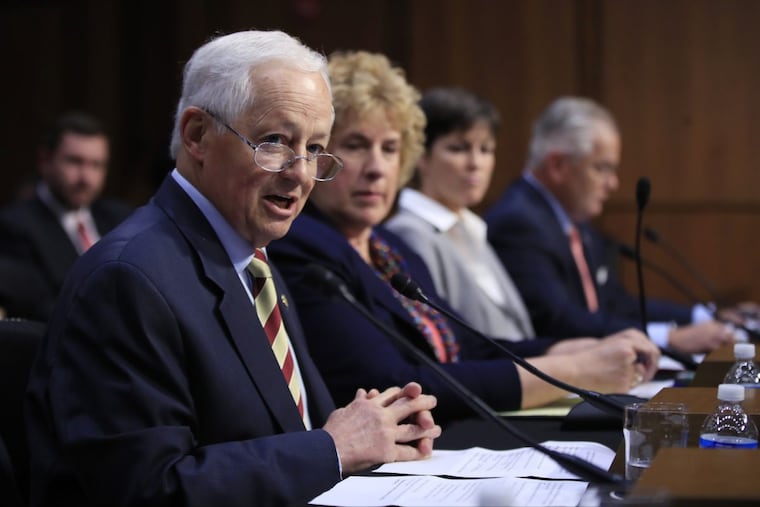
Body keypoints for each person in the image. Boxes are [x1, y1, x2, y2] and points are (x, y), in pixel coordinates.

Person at [24, 30, 441, 507]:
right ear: (198, 135)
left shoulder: (254, 260)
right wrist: (333, 448)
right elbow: (148, 490)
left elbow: (288, 432)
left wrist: (378, 432)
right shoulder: (128, 279)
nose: (301, 173)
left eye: (314, 149)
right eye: (276, 142)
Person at [268, 51, 659, 425]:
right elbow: (390, 382)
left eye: (390, 149)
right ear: (317, 155)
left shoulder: (389, 248)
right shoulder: (303, 244)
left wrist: (569, 349)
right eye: (355, 146)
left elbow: (464, 347)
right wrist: (574, 371)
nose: (376, 168)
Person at [484, 96, 739, 356]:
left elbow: (615, 303)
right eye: (602, 168)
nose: (613, 184)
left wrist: (700, 316)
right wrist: (670, 337)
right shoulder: (519, 222)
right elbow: (559, 321)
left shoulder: (570, 219)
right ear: (558, 165)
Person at [386, 87, 534, 341]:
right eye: (458, 148)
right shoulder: (410, 233)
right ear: (421, 155)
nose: (476, 163)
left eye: (485, 149)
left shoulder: (471, 226)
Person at [0, 112, 132, 321]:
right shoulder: (15, 226)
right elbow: (38, 306)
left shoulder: (120, 218)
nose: (86, 178)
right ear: (45, 161)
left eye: (97, 165)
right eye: (74, 162)